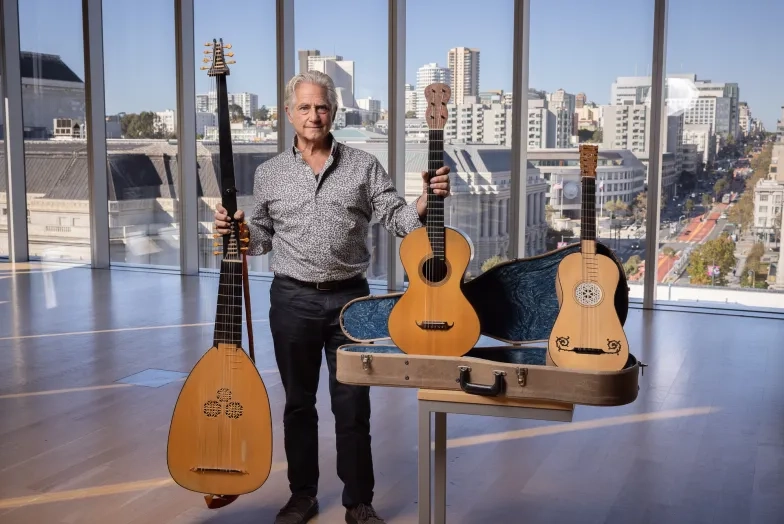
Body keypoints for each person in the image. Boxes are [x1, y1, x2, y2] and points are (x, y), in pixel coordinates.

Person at [213, 70, 450, 524]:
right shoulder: (269, 173)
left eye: (321, 106)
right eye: (304, 107)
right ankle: (302, 496)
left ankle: (358, 503)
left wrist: (425, 200)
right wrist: (238, 232)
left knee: (352, 408)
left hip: (351, 303)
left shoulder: (363, 165)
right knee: (298, 406)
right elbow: (259, 237)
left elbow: (398, 218)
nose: (313, 115)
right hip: (292, 300)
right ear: (289, 113)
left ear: (334, 112)